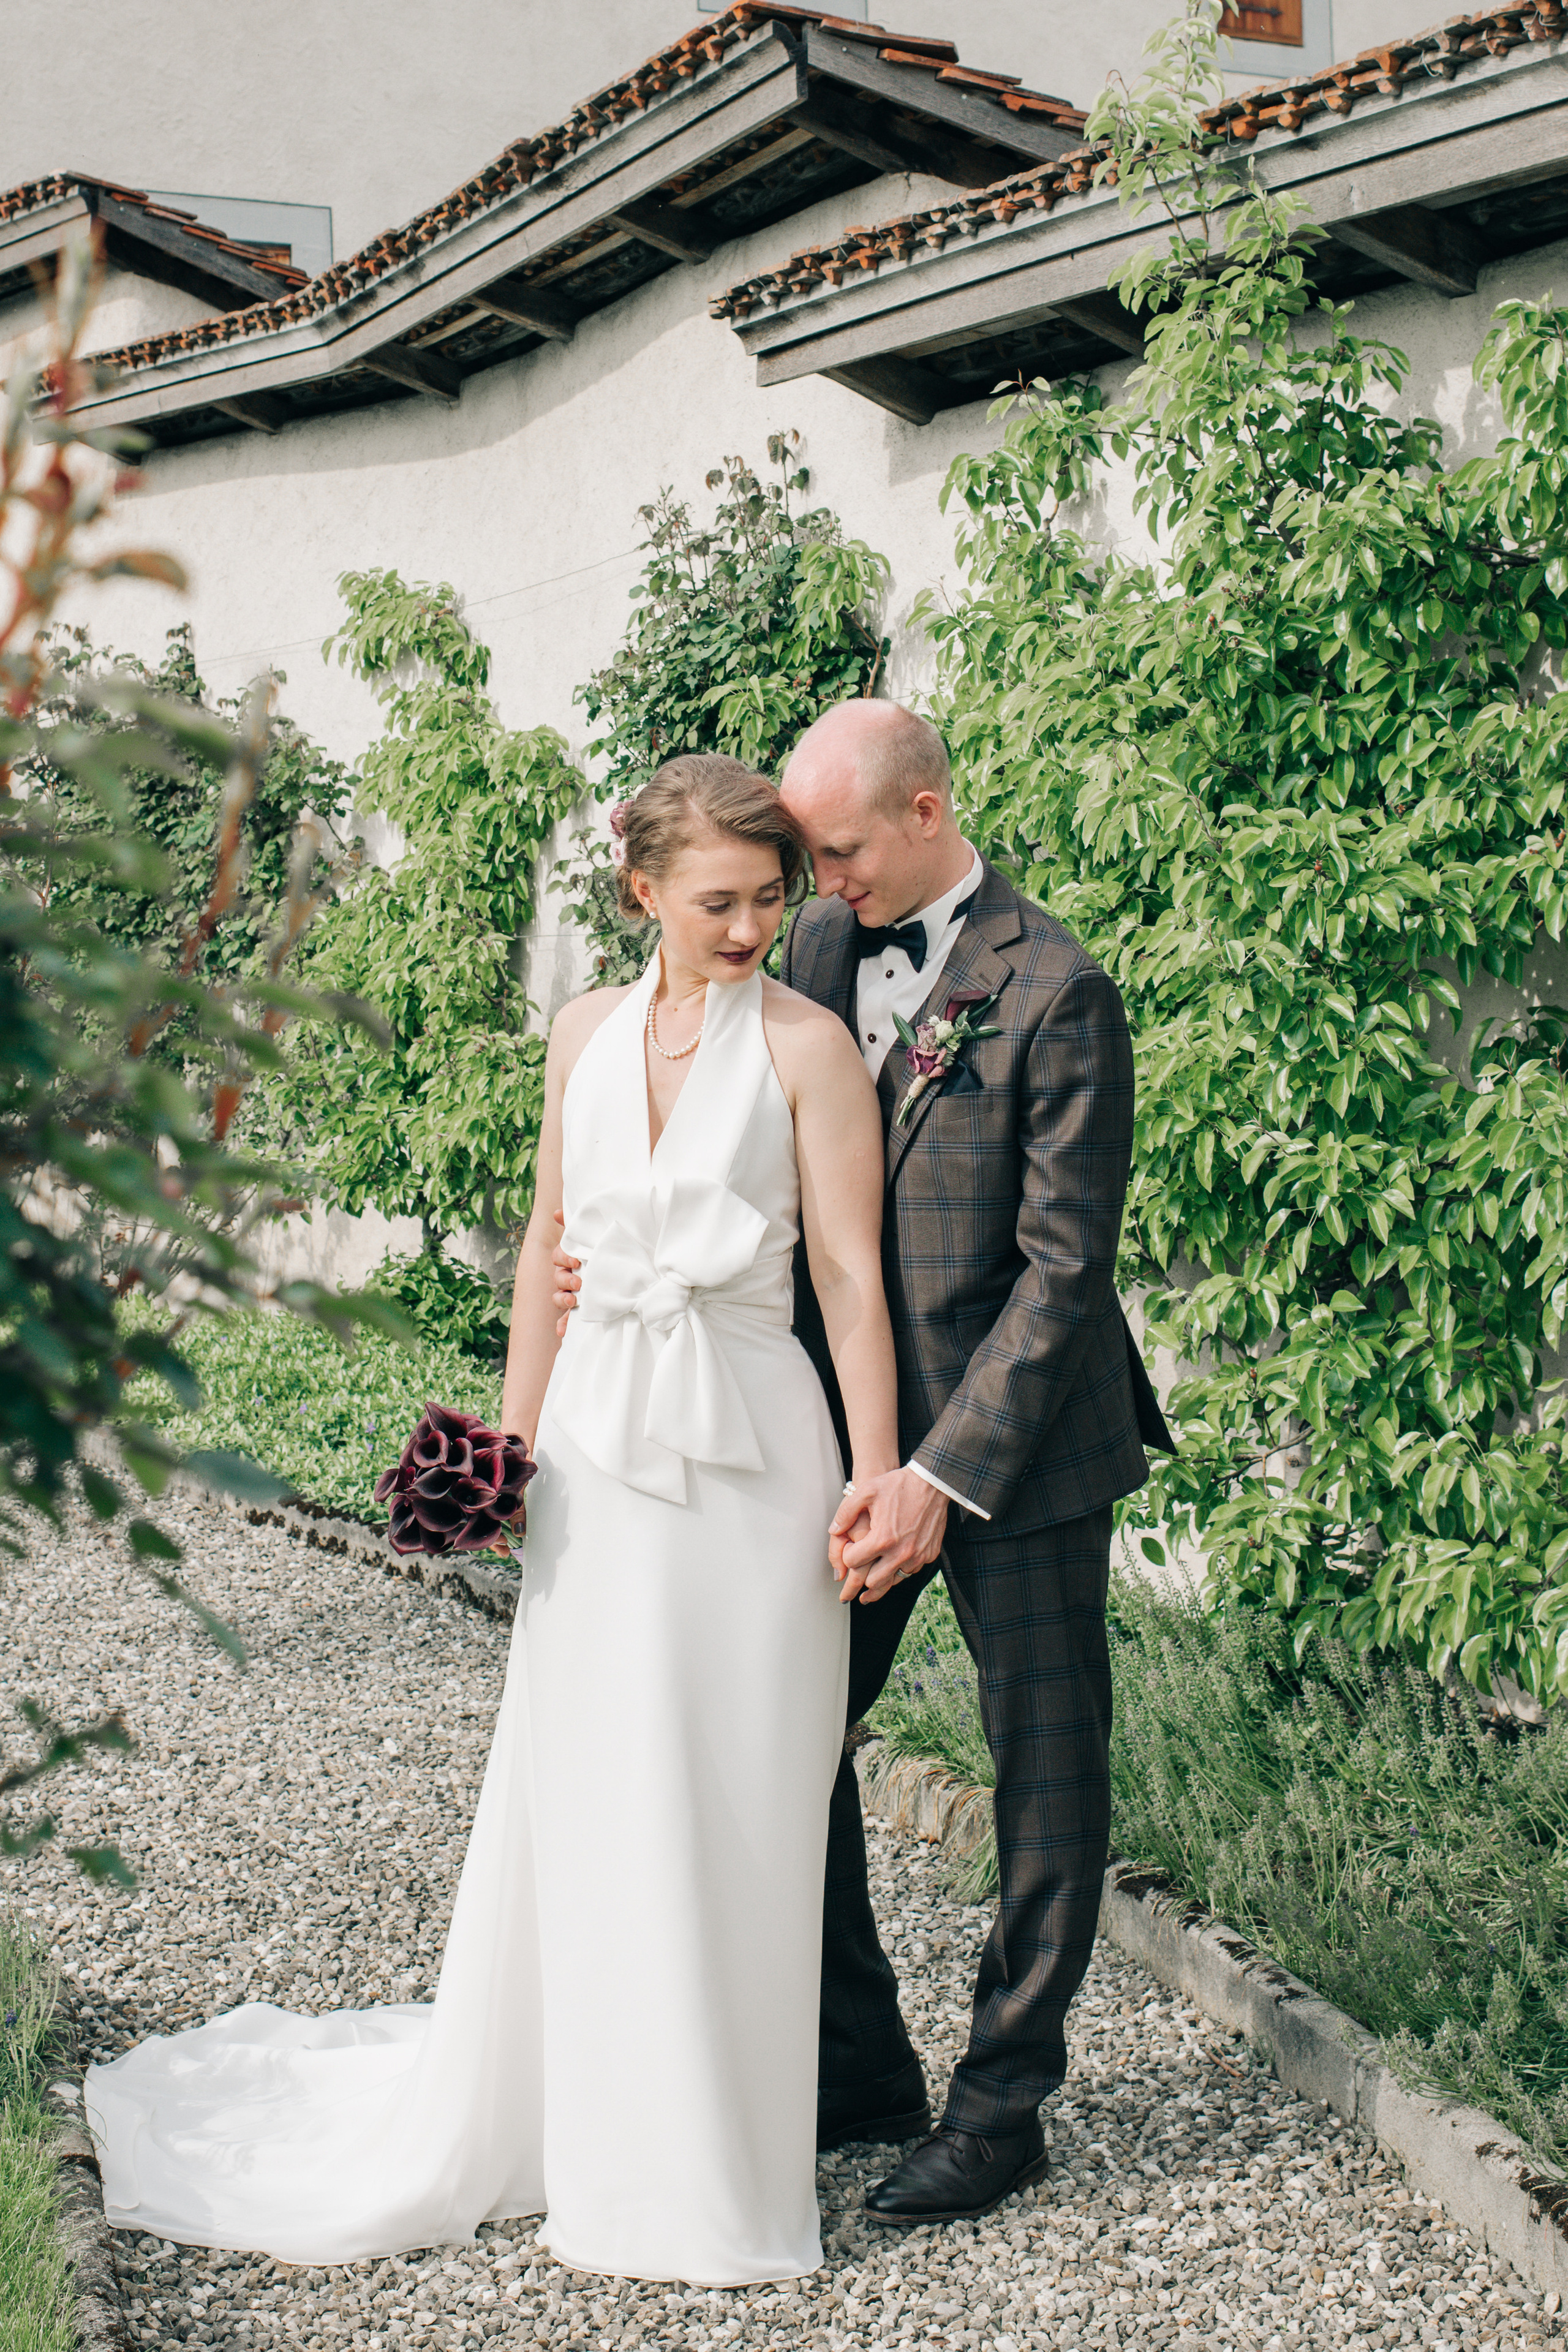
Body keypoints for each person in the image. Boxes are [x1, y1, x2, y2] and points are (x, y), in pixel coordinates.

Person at [85, 753, 902, 2286]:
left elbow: (848, 1281)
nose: (749, 929)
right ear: (641, 891)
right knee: (594, 1792)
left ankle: (717, 2172)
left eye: (770, 899)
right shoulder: (583, 1031)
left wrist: (876, 1476)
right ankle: (585, 2133)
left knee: (740, 1802)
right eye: (719, 902)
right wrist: (504, 1454)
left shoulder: (809, 1049)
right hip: (597, 1452)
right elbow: (545, 1242)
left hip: (751, 1458)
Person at [560, 703, 1172, 2228]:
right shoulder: (818, 954)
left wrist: (935, 1474)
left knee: (1043, 1778)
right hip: (834, 1443)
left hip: (1018, 1459)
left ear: (922, 810)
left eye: (829, 853)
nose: (805, 889)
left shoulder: (1059, 989)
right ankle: (858, 2064)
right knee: (788, 1737)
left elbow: (1060, 1275)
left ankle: (999, 2108)